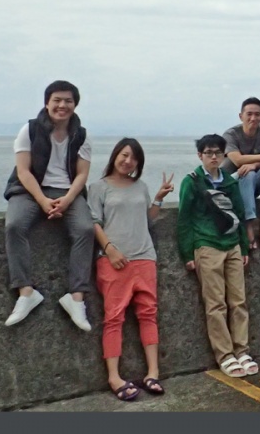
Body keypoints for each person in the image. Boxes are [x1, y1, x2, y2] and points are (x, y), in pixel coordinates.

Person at [3, 80, 96, 331]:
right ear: (47, 103)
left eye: (68, 100)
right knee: (14, 225)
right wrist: (43, 201)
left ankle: (76, 298)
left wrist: (66, 200)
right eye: (57, 100)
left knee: (85, 230)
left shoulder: (81, 135)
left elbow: (82, 175)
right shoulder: (30, 130)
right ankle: (26, 292)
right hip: (30, 190)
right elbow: (23, 171)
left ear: (75, 105)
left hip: (68, 191)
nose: (62, 105)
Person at [88, 138, 174, 401]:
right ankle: (114, 377)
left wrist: (158, 198)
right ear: (115, 155)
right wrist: (110, 249)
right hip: (114, 260)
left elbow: (147, 220)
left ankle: (153, 372)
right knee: (114, 317)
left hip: (144, 257)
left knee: (149, 314)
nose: (128, 161)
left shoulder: (141, 186)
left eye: (134, 158)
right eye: (124, 155)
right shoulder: (98, 187)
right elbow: (93, 222)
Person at [176, 134, 259, 379]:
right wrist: (187, 253)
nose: (213, 157)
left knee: (239, 301)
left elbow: (240, 215)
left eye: (217, 153)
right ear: (200, 155)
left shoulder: (230, 184)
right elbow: (184, 220)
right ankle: (225, 355)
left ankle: (242, 350)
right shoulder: (191, 182)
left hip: (232, 244)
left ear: (224, 155)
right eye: (208, 152)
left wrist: (243, 248)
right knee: (215, 305)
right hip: (206, 244)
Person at [221, 96, 260, 249]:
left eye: (257, 114)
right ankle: (248, 224)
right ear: (241, 116)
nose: (253, 118)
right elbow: (237, 160)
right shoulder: (230, 134)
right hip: (231, 184)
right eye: (249, 114)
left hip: (252, 185)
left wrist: (255, 164)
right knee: (246, 172)